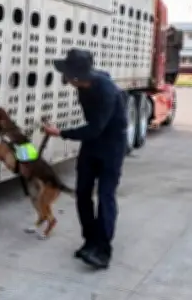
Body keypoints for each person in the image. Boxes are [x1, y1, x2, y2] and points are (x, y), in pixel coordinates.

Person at [41, 48, 128, 269]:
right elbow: (91, 131)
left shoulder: (107, 92)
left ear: (78, 76)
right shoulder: (82, 87)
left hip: (111, 147)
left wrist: (60, 133)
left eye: (67, 74)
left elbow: (95, 129)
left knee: (106, 195)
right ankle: (89, 241)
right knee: (82, 194)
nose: (65, 78)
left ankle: (103, 250)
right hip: (92, 145)